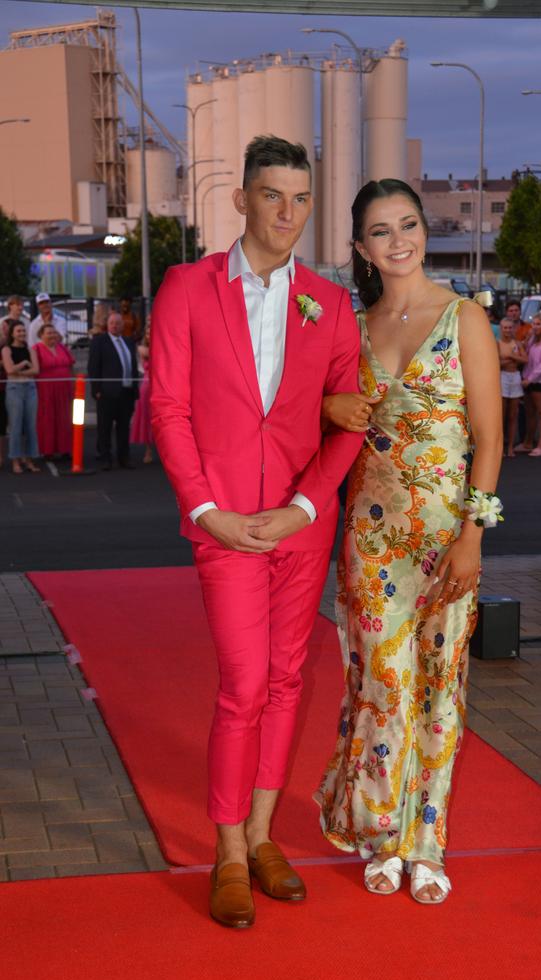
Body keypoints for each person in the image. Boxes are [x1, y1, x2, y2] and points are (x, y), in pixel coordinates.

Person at [150, 135, 364, 930]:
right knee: (242, 687)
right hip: (226, 525)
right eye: (272, 195)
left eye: (301, 198)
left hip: (302, 527)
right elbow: (168, 408)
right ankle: (230, 851)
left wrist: (306, 508)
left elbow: (349, 421)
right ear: (240, 199)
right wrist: (208, 511)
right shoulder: (185, 287)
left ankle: (268, 835)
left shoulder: (329, 302)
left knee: (285, 682)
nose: (288, 212)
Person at [315, 179, 503, 905]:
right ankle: (382, 834)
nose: (400, 242)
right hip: (369, 537)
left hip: (446, 538)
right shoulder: (350, 327)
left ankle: (428, 844)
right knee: (383, 686)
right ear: (362, 248)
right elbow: (323, 415)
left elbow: (489, 444)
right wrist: (333, 407)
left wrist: (473, 540)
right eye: (382, 232)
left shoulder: (467, 320)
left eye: (409, 225)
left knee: (440, 690)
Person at [88, 310, 139, 471]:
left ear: (122, 325)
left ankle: (124, 457)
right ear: (107, 325)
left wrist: (135, 388)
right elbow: (93, 367)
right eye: (112, 323)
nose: (115, 326)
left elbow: (133, 367)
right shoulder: (99, 341)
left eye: (118, 323)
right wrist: (96, 389)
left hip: (126, 392)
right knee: (105, 427)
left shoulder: (128, 342)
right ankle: (105, 458)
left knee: (124, 427)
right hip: (107, 392)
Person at [1, 319, 41, 474]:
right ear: (12, 333)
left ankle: (30, 459)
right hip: (14, 388)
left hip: (30, 388)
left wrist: (20, 370)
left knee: (31, 426)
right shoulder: (6, 349)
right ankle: (15, 461)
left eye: (23, 331)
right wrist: (25, 363)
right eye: (19, 331)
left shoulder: (30, 349)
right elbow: (9, 370)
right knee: (16, 426)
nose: (22, 333)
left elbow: (36, 370)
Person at [34, 322, 75, 458]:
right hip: (46, 390)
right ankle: (48, 450)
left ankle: (65, 448)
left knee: (65, 417)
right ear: (41, 335)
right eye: (49, 333)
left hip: (65, 389)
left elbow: (71, 365)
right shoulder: (36, 349)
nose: (52, 335)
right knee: (48, 419)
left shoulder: (62, 347)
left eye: (53, 332)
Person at [498, 316, 527, 457]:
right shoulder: (497, 344)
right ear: (501, 329)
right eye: (505, 327)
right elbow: (495, 363)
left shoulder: (517, 343)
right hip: (502, 376)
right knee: (501, 415)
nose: (508, 330)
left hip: (515, 376)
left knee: (513, 415)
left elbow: (525, 359)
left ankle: (510, 447)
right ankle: (500, 447)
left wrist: (511, 357)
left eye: (510, 327)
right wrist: (511, 358)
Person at [521, 311, 541, 457]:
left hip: (540, 381)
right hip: (528, 379)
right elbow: (526, 355)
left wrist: (530, 378)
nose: (535, 326)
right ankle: (527, 443)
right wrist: (527, 340)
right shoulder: (533, 339)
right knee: (529, 413)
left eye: (538, 324)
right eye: (534, 323)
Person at [129, 321, 154, 463]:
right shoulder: (142, 348)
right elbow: (152, 354)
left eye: (153, 332)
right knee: (146, 417)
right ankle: (148, 450)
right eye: (148, 333)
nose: (150, 335)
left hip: (162, 385)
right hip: (147, 385)